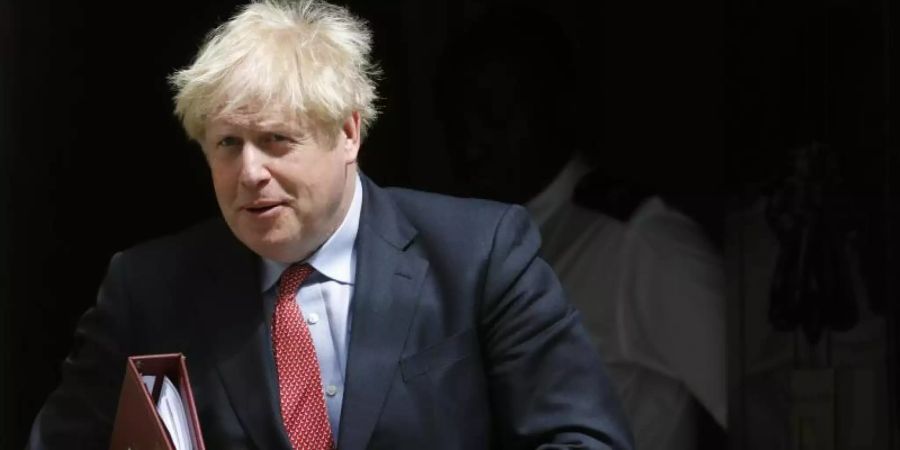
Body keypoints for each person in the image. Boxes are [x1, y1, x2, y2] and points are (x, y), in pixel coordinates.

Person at [26, 1, 632, 449]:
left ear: (348, 132)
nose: (250, 172)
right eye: (227, 144)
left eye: (275, 140)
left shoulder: (480, 254)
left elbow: (582, 438)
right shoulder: (148, 288)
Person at [436, 8, 726, 450]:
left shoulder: (639, 244)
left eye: (495, 116)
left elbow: (757, 407)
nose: (473, 144)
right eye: (459, 123)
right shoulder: (469, 253)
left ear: (557, 106)